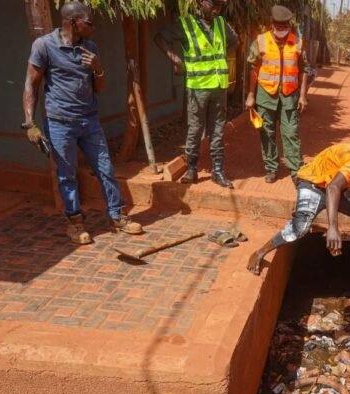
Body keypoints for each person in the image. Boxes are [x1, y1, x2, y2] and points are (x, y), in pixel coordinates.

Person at [22, 1, 143, 245]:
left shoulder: (90, 47)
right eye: (89, 22)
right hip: (60, 123)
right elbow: (31, 84)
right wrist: (29, 123)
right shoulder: (44, 45)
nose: (93, 27)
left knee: (106, 169)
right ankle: (75, 224)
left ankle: (117, 215)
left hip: (90, 121)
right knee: (67, 175)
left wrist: (98, 69)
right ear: (72, 22)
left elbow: (100, 88)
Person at [247, 143, 350, 275]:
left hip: (334, 185)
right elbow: (333, 188)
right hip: (312, 183)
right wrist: (333, 228)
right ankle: (259, 253)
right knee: (299, 229)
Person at [154, 0, 238, 187]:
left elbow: (235, 41)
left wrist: (221, 58)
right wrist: (175, 59)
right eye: (213, 5)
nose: (216, 10)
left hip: (219, 86)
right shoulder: (186, 24)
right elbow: (160, 38)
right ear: (201, 3)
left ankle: (217, 171)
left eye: (219, 6)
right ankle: (192, 169)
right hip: (198, 87)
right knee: (195, 129)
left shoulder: (221, 24)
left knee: (217, 130)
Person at [245, 5, 310, 184]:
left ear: (289, 25)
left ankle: (296, 171)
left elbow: (305, 69)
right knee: (266, 133)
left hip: (290, 96)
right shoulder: (260, 41)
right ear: (272, 24)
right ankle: (271, 168)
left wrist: (303, 95)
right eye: (278, 26)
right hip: (266, 94)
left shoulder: (297, 42)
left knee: (291, 133)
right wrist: (251, 94)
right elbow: (253, 69)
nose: (281, 30)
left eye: (285, 26)